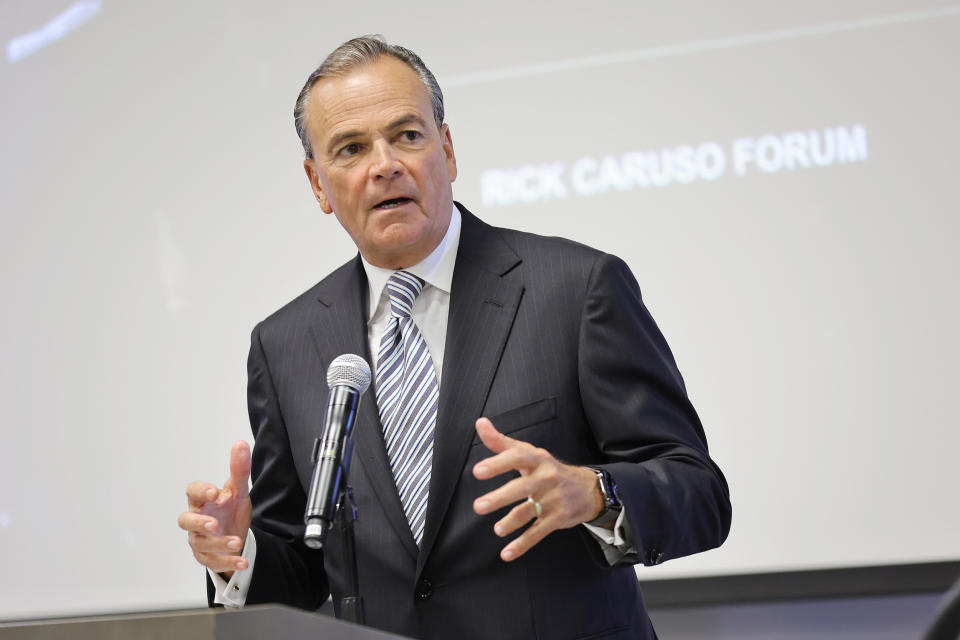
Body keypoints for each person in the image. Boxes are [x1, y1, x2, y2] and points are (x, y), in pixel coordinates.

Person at [178, 35, 731, 640]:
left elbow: (700, 494)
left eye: (407, 136)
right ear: (318, 185)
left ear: (447, 148)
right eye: (351, 148)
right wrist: (241, 552)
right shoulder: (284, 344)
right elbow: (308, 568)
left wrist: (594, 493)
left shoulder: (575, 289)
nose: (384, 163)